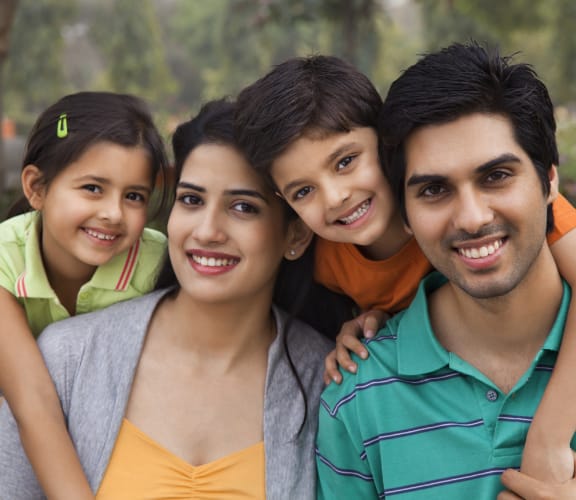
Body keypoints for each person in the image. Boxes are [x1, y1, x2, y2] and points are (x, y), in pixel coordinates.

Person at [235, 52, 576, 481]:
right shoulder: (324, 266)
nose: (336, 196)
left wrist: (550, 436)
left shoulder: (524, 207)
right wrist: (360, 327)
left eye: (345, 162)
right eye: (304, 190)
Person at [0, 99, 333, 499]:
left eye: (243, 207)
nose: (207, 231)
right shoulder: (66, 358)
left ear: (296, 235)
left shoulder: (329, 384)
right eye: (191, 200)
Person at [0, 91, 169, 500]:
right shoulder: (5, 257)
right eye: (93, 188)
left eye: (134, 196)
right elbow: (31, 400)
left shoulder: (159, 266)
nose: (113, 212)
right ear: (36, 188)